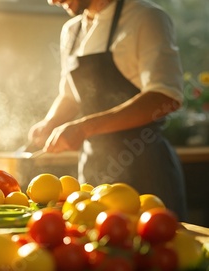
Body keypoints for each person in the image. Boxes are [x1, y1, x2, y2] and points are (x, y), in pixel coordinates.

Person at [27, 0, 188, 220]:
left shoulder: (146, 17)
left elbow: (164, 97)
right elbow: (70, 96)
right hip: (93, 172)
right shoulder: (72, 30)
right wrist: (50, 122)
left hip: (144, 168)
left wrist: (84, 128)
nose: (52, 0)